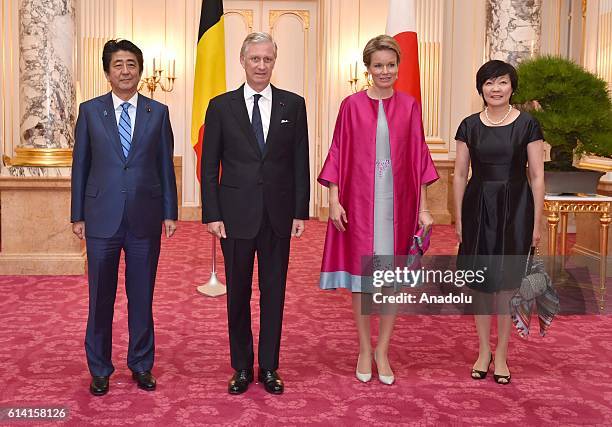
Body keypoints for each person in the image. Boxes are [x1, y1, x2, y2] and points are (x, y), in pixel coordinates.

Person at [318, 35, 438, 385]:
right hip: (357, 204)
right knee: (362, 282)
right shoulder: (351, 105)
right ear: (367, 68)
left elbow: (419, 159)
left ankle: (383, 349)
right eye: (378, 65)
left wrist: (424, 209)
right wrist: (333, 199)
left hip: (397, 207)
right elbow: (338, 152)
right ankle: (363, 349)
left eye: (390, 65)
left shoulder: (410, 106)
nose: (385, 71)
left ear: (398, 67)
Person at [201, 32, 310, 395]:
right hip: (234, 217)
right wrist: (212, 214)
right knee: (238, 294)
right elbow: (209, 163)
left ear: (274, 62)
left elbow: (300, 162)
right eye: (255, 59)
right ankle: (242, 366)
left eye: (267, 59)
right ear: (242, 60)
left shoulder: (293, 105)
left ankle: (269, 367)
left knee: (274, 292)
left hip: (279, 215)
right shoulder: (220, 106)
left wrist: (300, 211)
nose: (261, 65)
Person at [71, 39, 178, 396]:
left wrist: (170, 212)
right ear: (107, 72)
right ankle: (99, 367)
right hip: (101, 218)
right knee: (100, 296)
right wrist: (77, 214)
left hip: (144, 218)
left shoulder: (157, 112)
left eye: (131, 64)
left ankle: (141, 364)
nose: (125, 71)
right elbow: (81, 165)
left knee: (142, 295)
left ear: (140, 70)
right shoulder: (89, 111)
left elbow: (165, 166)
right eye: (118, 64)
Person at [453, 59, 545, 384]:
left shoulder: (528, 125)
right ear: (481, 88)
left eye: (502, 82)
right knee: (480, 286)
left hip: (516, 208)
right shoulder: (468, 125)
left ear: (512, 86)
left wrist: (536, 222)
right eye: (489, 83)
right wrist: (459, 219)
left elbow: (536, 176)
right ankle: (482, 350)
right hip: (478, 207)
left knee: (506, 286)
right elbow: (461, 174)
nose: (496, 89)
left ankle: (502, 353)